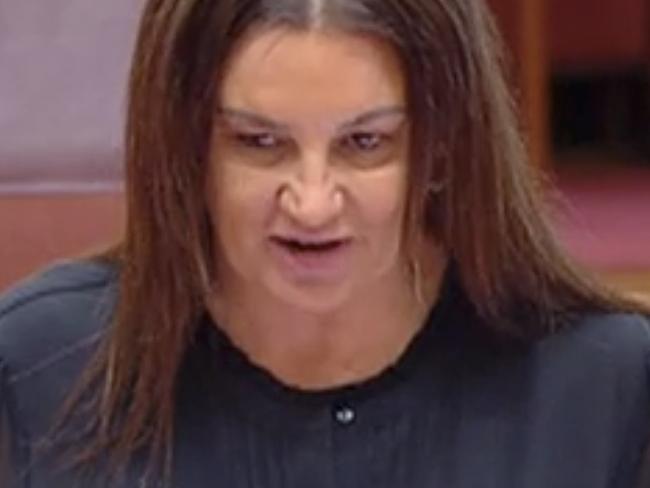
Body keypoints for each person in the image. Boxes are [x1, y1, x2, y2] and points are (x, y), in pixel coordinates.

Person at [1, 0, 649, 486]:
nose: (312, 203)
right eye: (259, 143)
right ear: (186, 147)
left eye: (365, 143)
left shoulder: (606, 389)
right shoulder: (37, 371)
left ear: (446, 145)